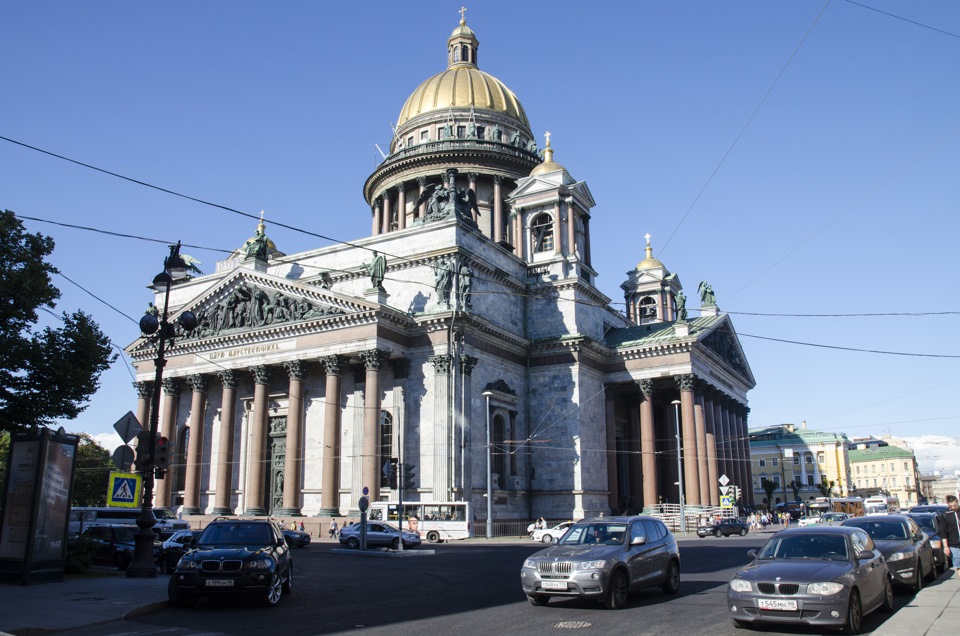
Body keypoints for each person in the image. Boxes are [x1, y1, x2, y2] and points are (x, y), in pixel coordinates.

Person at [939, 494, 960, 578]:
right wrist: (945, 546)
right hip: (954, 544)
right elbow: (943, 532)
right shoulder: (945, 515)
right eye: (951, 506)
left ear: (957, 502)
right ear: (947, 504)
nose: (953, 508)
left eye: (955, 505)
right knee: (959, 566)